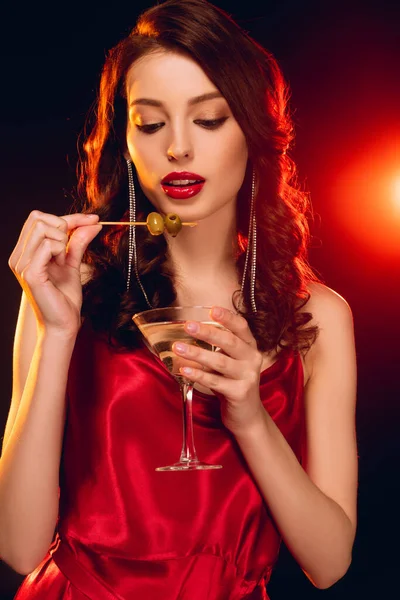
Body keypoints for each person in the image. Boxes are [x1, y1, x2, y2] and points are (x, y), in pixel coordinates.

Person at [0, 0, 358, 598]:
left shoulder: (318, 316)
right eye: (150, 123)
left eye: (210, 119)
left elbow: (329, 564)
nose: (178, 150)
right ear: (127, 141)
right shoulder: (68, 288)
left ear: (253, 130)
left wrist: (249, 417)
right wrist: (58, 332)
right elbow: (18, 546)